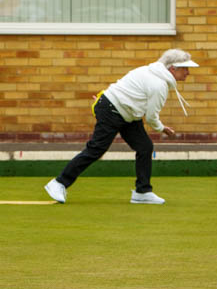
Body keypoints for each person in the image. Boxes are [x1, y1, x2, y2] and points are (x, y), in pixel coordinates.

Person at [44, 49, 198, 205]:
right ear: (173, 68)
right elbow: (151, 117)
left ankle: (142, 192)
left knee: (145, 147)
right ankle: (59, 183)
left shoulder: (149, 71)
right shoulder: (159, 85)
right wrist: (161, 128)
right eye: (185, 68)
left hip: (127, 113)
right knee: (97, 148)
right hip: (112, 109)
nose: (188, 73)